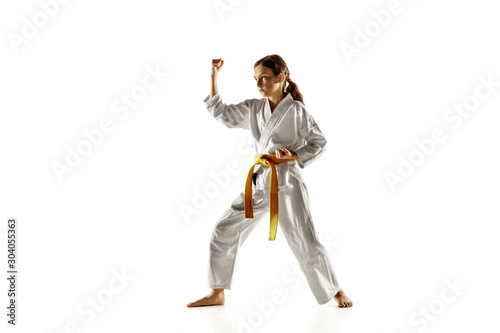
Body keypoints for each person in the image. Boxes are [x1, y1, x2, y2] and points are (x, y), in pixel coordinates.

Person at [187, 55, 353, 308]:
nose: (259, 83)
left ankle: (336, 290)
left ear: (281, 76)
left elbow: (319, 142)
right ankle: (217, 291)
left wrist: (294, 155)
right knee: (224, 229)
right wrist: (213, 77)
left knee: (303, 236)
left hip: (287, 180)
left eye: (264, 77)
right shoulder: (254, 108)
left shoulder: (297, 111)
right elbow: (222, 114)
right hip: (259, 179)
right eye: (256, 79)